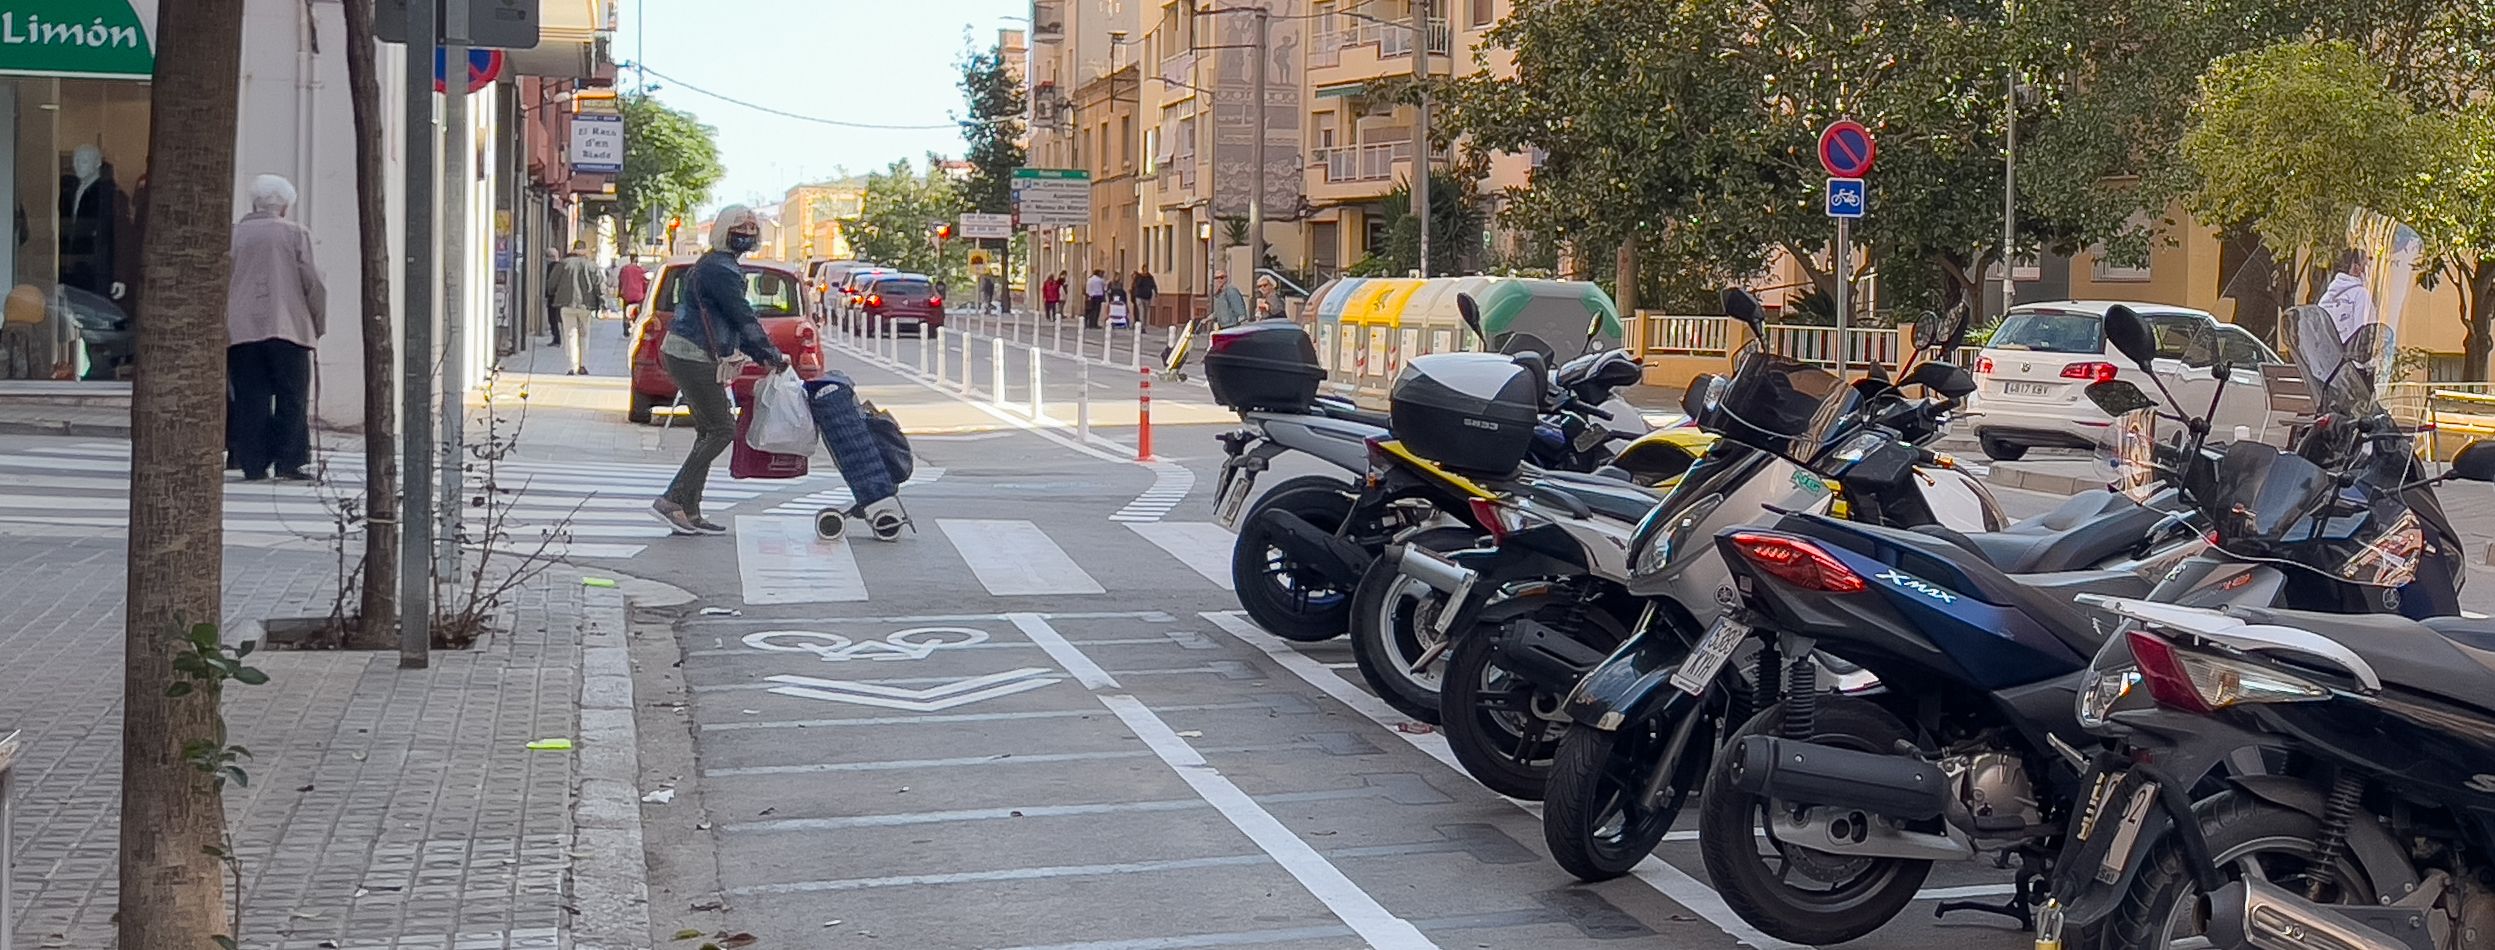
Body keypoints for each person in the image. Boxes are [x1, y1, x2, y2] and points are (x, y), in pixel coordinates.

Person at [654, 206, 789, 536]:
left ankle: (689, 510)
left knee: (707, 430)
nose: (748, 233)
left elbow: (735, 319)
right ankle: (672, 500)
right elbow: (741, 316)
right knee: (722, 429)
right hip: (692, 354)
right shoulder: (721, 269)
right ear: (724, 230)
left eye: (752, 227)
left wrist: (764, 353)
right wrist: (769, 354)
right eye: (740, 227)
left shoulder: (718, 263)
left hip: (688, 352)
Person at [225, 174, 327, 482]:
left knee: (249, 395)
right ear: (284, 207)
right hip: (289, 327)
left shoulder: (234, 235)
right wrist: (317, 323)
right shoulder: (296, 234)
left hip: (241, 328)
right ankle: (289, 460)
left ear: (255, 203)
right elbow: (314, 282)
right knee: (292, 395)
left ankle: (253, 462)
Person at [550, 241, 605, 375]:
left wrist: (554, 293)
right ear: (585, 250)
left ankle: (572, 365)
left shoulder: (563, 264)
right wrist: (601, 302)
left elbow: (552, 283)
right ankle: (582, 364)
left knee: (570, 334)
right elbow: (599, 285)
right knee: (583, 334)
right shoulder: (591, 265)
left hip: (566, 303)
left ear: (573, 249)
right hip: (586, 305)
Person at [2319, 249, 2377, 345]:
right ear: (2356, 268)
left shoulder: (2325, 300)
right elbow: (2364, 336)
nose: (2368, 270)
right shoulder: (2360, 295)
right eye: (2366, 265)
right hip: (2352, 357)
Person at [617, 254, 650, 334]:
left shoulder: (624, 269)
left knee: (626, 311)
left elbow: (620, 281)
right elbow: (645, 283)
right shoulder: (641, 270)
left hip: (626, 294)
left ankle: (626, 326)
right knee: (639, 312)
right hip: (638, 295)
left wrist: (620, 293)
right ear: (637, 259)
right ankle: (636, 326)